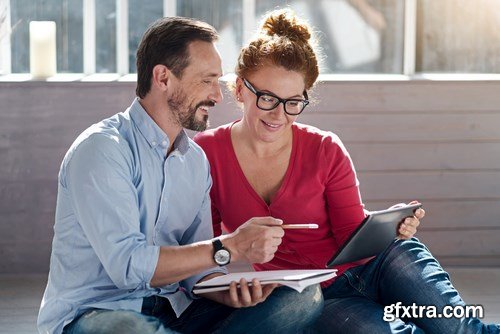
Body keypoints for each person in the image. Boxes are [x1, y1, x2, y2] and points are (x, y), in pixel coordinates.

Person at [193, 9, 500, 334]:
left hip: (382, 264)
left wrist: (387, 226)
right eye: (267, 98)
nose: (279, 114)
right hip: (317, 297)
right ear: (240, 89)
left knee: (461, 331)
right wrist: (227, 285)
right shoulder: (207, 153)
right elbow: (208, 248)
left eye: (293, 102)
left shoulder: (326, 148)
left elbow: (351, 232)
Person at [37, 16, 323, 334]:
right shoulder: (103, 149)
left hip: (175, 312)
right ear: (163, 78)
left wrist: (231, 292)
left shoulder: (194, 161)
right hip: (100, 313)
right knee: (129, 328)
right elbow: (129, 268)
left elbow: (197, 268)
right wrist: (231, 245)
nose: (217, 95)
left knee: (301, 297)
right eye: (207, 81)